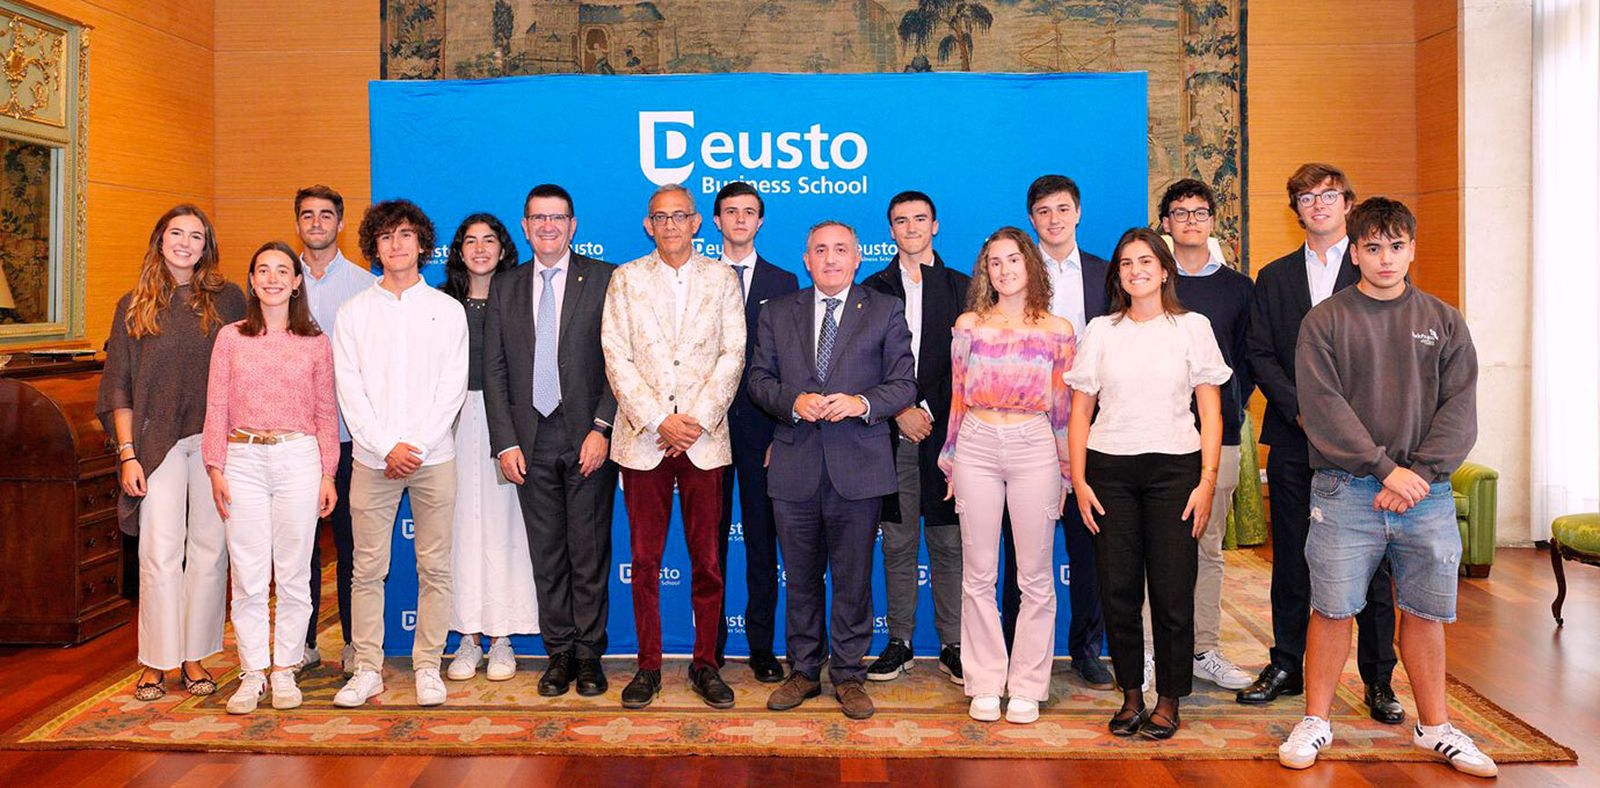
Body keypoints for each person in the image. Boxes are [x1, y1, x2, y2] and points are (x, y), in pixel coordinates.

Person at [1278, 197, 1491, 777]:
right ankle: (1316, 721)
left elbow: (1460, 408)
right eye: (1373, 248)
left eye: (1396, 247)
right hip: (1346, 491)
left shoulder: (1444, 321)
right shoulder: (1324, 321)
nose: (1386, 258)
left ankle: (1435, 727)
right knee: (1331, 609)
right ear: (1355, 252)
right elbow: (1323, 410)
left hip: (1426, 495)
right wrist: (1383, 468)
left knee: (1424, 613)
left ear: (1412, 249)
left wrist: (1417, 474)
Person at [1241, 164, 1401, 723]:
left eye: (1329, 195)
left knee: (1373, 564)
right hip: (1294, 437)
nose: (1318, 204)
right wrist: (1301, 410)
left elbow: (1388, 356)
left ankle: (1379, 679)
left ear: (1348, 204)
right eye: (1306, 197)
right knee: (1291, 558)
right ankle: (1287, 664)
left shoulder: (1372, 269)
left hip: (1363, 444)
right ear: (1296, 210)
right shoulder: (1275, 276)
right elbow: (1259, 352)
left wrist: (1342, 421)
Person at [1064, 227, 1229, 739]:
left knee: (1172, 592)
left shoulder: (1193, 327)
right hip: (1109, 471)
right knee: (1118, 591)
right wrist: (1079, 480)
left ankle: (1170, 699)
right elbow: (1080, 412)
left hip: (1176, 471)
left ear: (1164, 270)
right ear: (1117, 275)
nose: (1135, 271)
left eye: (1145, 262)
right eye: (1126, 263)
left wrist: (1207, 481)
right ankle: (1132, 694)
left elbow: (1211, 411)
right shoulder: (1101, 330)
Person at [748, 220, 917, 721]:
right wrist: (793, 401)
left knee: (853, 579)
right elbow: (758, 379)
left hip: (859, 467)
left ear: (857, 258)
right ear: (806, 260)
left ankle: (847, 675)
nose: (830, 259)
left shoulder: (885, 309)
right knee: (800, 579)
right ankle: (803, 671)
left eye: (840, 249)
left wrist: (861, 403)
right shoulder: (778, 311)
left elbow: (903, 384)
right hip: (794, 464)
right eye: (820, 250)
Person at [600, 184, 744, 710]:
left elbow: (733, 354)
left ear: (696, 222)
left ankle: (706, 664)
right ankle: (648, 666)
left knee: (708, 561)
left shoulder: (721, 278)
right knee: (644, 561)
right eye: (660, 218)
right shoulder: (625, 279)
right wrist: (660, 420)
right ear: (648, 225)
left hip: (704, 440)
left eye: (679, 216)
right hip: (645, 440)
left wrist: (695, 422)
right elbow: (616, 355)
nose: (670, 226)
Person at [98, 204, 247, 702]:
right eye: (176, 233)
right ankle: (155, 661)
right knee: (159, 553)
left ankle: (194, 656)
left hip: (214, 443)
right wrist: (127, 454)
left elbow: (246, 369)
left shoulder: (229, 300)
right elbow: (118, 386)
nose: (185, 243)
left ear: (207, 246)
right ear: (160, 240)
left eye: (196, 236)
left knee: (209, 551)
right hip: (154, 446)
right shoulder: (132, 305)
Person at [330, 200, 469, 708]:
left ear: (421, 243)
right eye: (386, 236)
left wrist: (418, 446)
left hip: (435, 457)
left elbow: (452, 386)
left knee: (435, 567)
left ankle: (428, 665)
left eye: (406, 234)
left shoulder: (447, 310)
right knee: (367, 570)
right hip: (373, 460)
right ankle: (367, 667)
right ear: (374, 246)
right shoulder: (353, 312)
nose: (396, 245)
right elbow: (350, 390)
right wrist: (386, 446)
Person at [484, 184, 618, 698]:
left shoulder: (604, 279)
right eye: (538, 218)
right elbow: (495, 370)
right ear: (525, 226)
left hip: (587, 437)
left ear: (573, 225)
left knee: (589, 553)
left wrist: (602, 428)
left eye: (557, 218)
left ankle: (589, 655)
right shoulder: (506, 287)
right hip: (529, 441)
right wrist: (504, 442)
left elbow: (619, 362)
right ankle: (559, 653)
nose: (548, 226)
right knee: (547, 556)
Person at [938, 227, 1073, 724]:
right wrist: (951, 457)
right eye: (994, 262)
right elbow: (957, 397)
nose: (1004, 269)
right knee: (978, 575)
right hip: (976, 443)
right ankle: (985, 682)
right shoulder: (968, 325)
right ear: (984, 271)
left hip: (1034, 444)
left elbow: (1063, 408)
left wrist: (1066, 472)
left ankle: (1028, 686)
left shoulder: (1057, 329)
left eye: (1013, 259)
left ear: (1030, 264)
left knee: (1035, 576)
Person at [201, 241, 338, 713]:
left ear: (297, 282)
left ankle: (285, 669)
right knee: (248, 574)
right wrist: (215, 466)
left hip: (298, 458)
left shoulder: (316, 342)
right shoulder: (231, 338)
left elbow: (326, 413)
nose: (273, 279)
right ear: (252, 281)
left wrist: (328, 473)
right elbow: (216, 406)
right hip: (242, 459)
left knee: (295, 573)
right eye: (263, 270)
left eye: (283, 271)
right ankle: (253, 672)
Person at [1004, 174, 1113, 690]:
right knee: (1021, 548)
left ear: (1078, 213)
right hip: (1024, 428)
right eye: (1044, 211)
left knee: (1088, 541)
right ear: (1032, 219)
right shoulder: (1013, 275)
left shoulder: (1106, 275)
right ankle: (1016, 649)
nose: (1054, 219)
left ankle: (1086, 648)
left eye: (1063, 209)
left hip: (1093, 427)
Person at [862, 190, 969, 684]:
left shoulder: (964, 287)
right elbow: (862, 362)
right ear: (891, 230)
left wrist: (934, 413)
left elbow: (971, 367)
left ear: (935, 225)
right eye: (901, 220)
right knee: (898, 542)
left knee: (949, 542)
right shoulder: (872, 289)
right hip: (891, 435)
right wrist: (900, 409)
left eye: (920, 219)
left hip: (952, 437)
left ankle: (954, 644)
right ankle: (899, 641)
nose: (911, 228)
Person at [1153, 179, 1255, 691]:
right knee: (1154, 546)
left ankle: (1203, 648)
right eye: (1180, 212)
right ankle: (1150, 651)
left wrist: (1227, 406)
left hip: (1220, 437)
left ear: (1213, 221)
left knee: (1207, 546)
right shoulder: (1151, 281)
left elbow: (1248, 359)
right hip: (1156, 435)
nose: (1190, 221)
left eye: (1199, 212)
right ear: (1165, 223)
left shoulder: (1239, 288)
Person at [438, 213, 538, 682]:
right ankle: (467, 638)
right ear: (459, 251)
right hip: (451, 423)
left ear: (503, 248)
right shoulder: (440, 303)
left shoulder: (521, 295)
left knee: (506, 531)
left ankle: (501, 639)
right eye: (470, 241)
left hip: (508, 425)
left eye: (489, 240)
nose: (480, 248)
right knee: (459, 531)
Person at [711, 181, 799, 683]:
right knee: (710, 545)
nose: (740, 219)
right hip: (707, 430)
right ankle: (710, 647)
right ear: (716, 221)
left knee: (763, 544)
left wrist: (781, 432)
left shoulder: (784, 281)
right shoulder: (698, 276)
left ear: (760, 221)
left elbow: (793, 364)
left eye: (749, 211)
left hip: (764, 433)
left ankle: (762, 647)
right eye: (731, 211)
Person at [294, 184, 374, 675]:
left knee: (350, 547)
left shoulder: (366, 286)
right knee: (299, 549)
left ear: (340, 224)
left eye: (326, 215)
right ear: (297, 224)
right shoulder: (279, 280)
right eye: (308, 215)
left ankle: (352, 642)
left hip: (349, 437)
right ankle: (301, 643)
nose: (317, 223)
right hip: (295, 440)